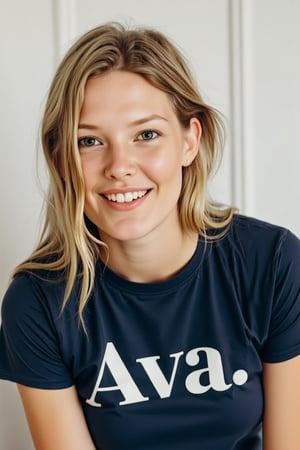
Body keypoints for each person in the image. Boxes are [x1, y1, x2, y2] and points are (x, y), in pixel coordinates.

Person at [0, 22, 299, 450]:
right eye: (88, 141)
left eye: (146, 135)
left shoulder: (272, 263)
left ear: (189, 142)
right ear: (62, 160)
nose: (119, 166)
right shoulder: (40, 304)